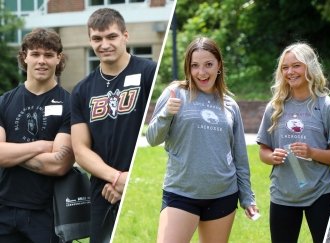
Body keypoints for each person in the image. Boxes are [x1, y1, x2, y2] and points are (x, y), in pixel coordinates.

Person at [146, 37, 258, 243]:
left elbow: (239, 155)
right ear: (188, 67)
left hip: (223, 195)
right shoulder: (175, 92)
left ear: (219, 66)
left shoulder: (230, 104)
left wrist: (247, 196)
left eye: (208, 64)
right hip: (181, 193)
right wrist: (166, 114)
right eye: (195, 65)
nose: (202, 72)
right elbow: (152, 138)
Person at [71, 8, 156, 242]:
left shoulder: (149, 73)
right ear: (90, 41)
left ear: (125, 36)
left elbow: (162, 133)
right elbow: (80, 150)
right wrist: (118, 178)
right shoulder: (81, 90)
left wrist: (130, 179)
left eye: (111, 36)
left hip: (141, 185)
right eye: (97, 39)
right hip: (103, 193)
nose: (104, 44)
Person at [256, 42, 330, 243]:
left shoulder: (328, 107)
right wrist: (272, 157)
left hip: (320, 193)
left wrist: (312, 152)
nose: (290, 72)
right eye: (285, 67)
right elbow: (263, 150)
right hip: (282, 194)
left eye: (296, 65)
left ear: (310, 67)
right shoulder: (275, 107)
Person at [0, 28, 74, 242]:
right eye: (35, 54)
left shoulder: (70, 104)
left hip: (49, 213)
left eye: (49, 55)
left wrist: (11, 153)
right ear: (25, 56)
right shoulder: (4, 102)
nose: (42, 61)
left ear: (58, 58)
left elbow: (58, 165)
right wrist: (42, 145)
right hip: (4, 209)